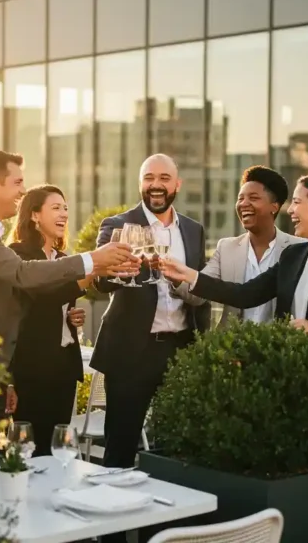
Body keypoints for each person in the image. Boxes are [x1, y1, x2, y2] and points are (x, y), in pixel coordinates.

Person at [0, 149, 138, 419]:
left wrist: (6, 379)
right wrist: (92, 259)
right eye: (17, 182)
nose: (23, 191)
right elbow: (22, 274)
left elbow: (12, 301)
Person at [161, 173, 308, 370]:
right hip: (294, 374)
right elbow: (245, 294)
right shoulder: (293, 256)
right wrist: (188, 275)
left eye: (297, 202)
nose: (290, 210)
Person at [91, 154, 211, 470]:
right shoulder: (117, 225)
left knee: (175, 442)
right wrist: (124, 271)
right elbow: (101, 282)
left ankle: (166, 511)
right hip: (133, 351)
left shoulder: (193, 229)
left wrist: (203, 345)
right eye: (149, 178)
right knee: (121, 442)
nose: (156, 185)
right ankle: (116, 512)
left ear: (177, 184)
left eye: (164, 178)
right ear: (140, 183)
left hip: (181, 349)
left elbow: (201, 287)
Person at [7, 185, 89, 456]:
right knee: (31, 450)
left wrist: (69, 317)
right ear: (34, 215)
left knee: (59, 449)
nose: (64, 213)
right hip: (31, 371)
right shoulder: (18, 255)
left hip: (64, 367)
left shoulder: (65, 259)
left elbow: (54, 305)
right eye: (55, 208)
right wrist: (89, 273)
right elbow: (41, 297)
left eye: (65, 208)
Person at [173, 165, 307, 328]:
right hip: (232, 349)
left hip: (281, 349)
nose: (244, 204)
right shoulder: (226, 248)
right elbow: (197, 295)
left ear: (275, 206)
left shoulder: (299, 249)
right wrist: (175, 277)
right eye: (240, 198)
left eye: (253, 198)